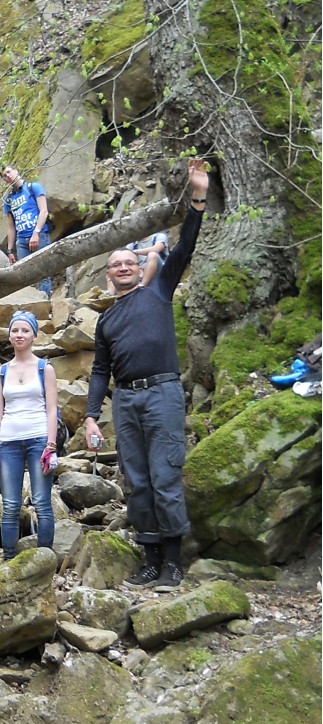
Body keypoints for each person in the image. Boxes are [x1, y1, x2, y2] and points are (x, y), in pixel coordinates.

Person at [84, 159, 210, 592]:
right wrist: (90, 416)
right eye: (115, 264)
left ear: (140, 268)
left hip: (162, 394)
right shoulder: (106, 321)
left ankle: (173, 563)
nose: (122, 268)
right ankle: (151, 560)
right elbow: (100, 371)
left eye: (128, 262)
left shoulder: (158, 291)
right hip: (126, 400)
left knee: (165, 475)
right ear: (108, 275)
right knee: (137, 480)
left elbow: (185, 247)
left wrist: (197, 198)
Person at [0, 310, 58, 559]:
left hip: (39, 438)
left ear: (34, 336)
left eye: (25, 330)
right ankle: (9, 560)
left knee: (41, 503)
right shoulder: (1, 373)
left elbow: (52, 409)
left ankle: (45, 560)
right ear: (9, 336)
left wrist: (51, 445)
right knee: (9, 505)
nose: (19, 335)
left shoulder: (45, 369)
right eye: (15, 330)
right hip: (8, 442)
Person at [2, 166, 52, 297]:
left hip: (39, 236)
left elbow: (44, 211)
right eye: (4, 176)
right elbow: (11, 226)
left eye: (9, 172)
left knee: (44, 273)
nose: (8, 176)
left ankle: (45, 302)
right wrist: (10, 250)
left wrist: (36, 233)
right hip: (21, 241)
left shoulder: (33, 187)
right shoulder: (8, 200)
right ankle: (30, 304)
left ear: (16, 171)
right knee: (24, 277)